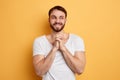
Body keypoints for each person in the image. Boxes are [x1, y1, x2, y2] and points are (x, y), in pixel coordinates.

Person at [33, 5, 86, 80]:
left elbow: (80, 70)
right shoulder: (39, 41)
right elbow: (39, 71)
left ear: (65, 20)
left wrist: (63, 49)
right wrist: (54, 49)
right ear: (49, 20)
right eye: (54, 17)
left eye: (61, 18)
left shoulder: (77, 40)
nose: (57, 21)